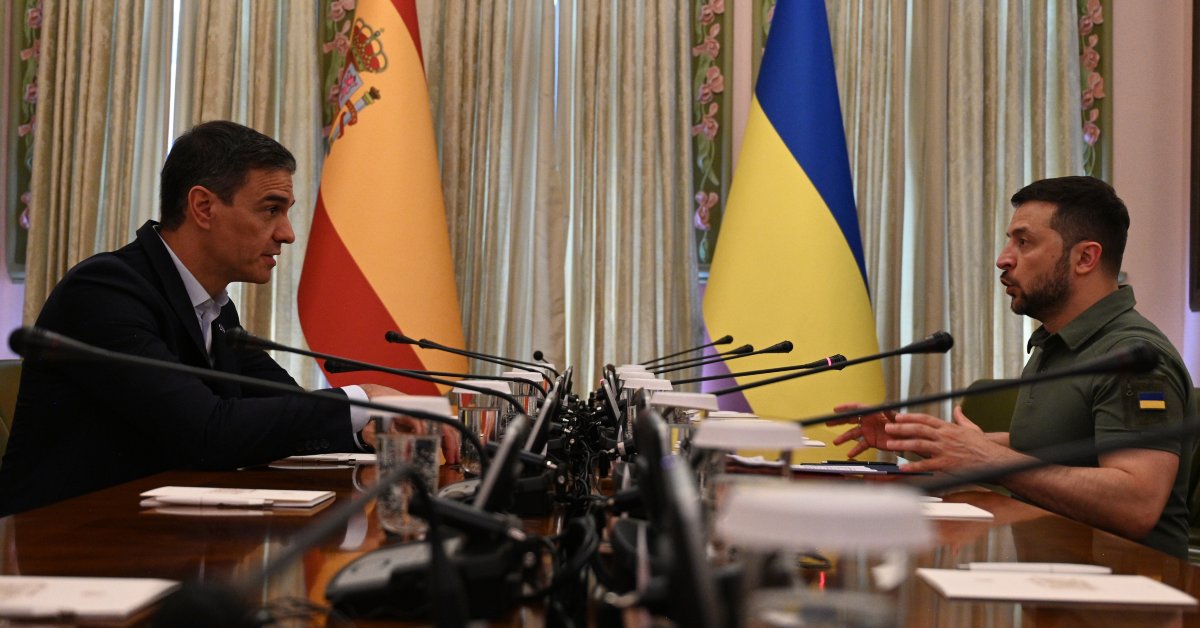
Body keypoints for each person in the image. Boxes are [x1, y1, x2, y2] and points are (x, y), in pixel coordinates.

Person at [0, 120, 457, 515]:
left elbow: (282, 415)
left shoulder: (217, 309)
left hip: (158, 538)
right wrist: (361, 398)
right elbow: (205, 431)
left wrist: (369, 426)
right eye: (270, 210)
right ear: (203, 207)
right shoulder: (106, 292)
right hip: (62, 546)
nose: (288, 234)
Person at [833, 176, 1195, 557]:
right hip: (1054, 568)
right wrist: (917, 439)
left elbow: (1136, 504)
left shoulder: (1134, 358)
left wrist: (987, 458)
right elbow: (1050, 446)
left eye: (1024, 242)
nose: (1003, 258)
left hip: (1129, 590)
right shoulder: (1055, 342)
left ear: (1085, 258)